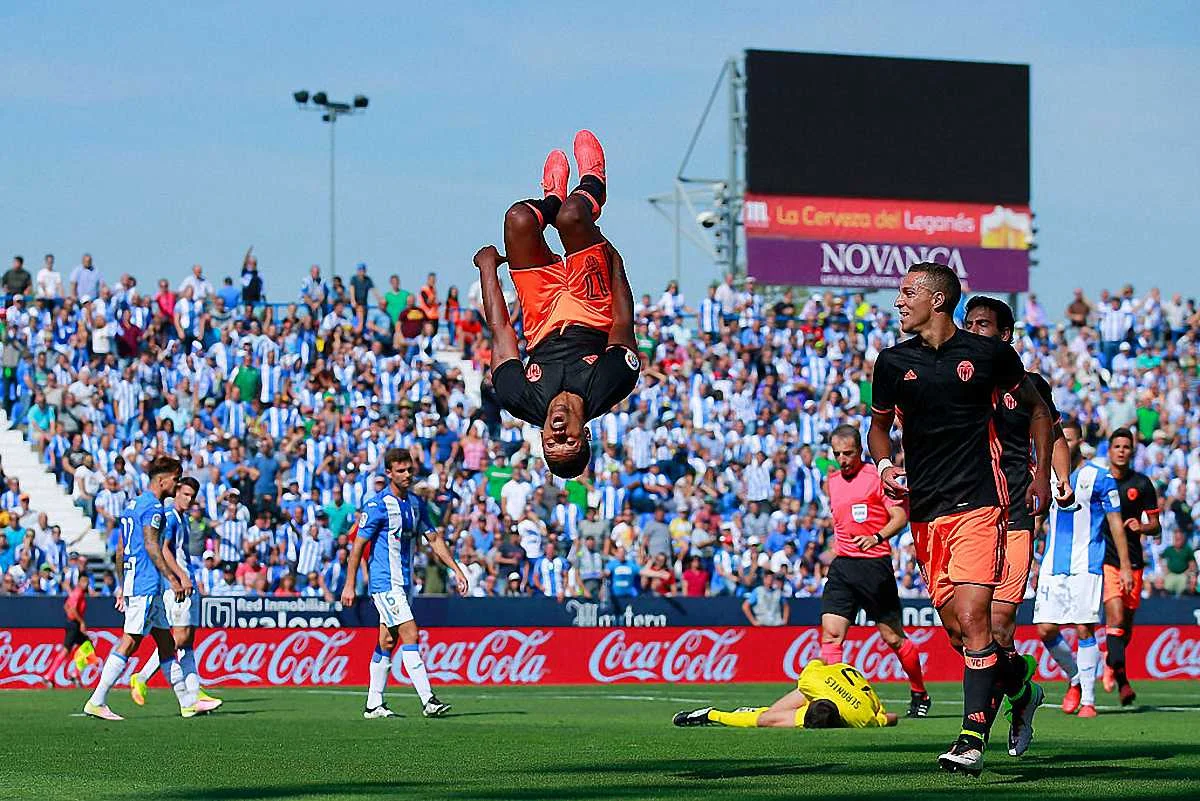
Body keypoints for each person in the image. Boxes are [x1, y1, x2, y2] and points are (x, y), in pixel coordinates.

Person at [868, 263, 1052, 774]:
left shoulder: (989, 355)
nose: (899, 302)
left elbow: (1038, 407)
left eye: (908, 293)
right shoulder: (891, 362)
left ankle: (971, 739)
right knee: (957, 632)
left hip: (981, 502)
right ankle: (1022, 687)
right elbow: (878, 429)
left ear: (938, 299)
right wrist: (884, 466)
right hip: (926, 513)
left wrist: (1038, 473)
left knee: (976, 620)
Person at [474, 131, 640, 479]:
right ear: (586, 436)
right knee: (572, 217)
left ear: (542, 437)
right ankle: (594, 180)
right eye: (570, 443)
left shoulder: (519, 399)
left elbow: (502, 333)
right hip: (591, 305)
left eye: (552, 445)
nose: (559, 436)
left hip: (542, 310)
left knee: (518, 218)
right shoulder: (612, 385)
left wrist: (488, 268)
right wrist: (615, 263)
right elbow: (623, 323)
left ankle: (550, 199)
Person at [962, 295, 1073, 755]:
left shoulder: (1027, 385)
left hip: (1014, 513)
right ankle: (1025, 694)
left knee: (1001, 625)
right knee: (967, 633)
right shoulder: (952, 381)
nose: (973, 330)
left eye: (983, 324)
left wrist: (1057, 477)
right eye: (968, 323)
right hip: (963, 513)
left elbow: (1054, 436)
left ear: (1005, 335)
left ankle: (972, 739)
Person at [341, 448, 468, 718]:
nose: (407, 475)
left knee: (387, 640)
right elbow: (357, 546)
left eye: (409, 469)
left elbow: (433, 539)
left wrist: (456, 569)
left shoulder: (415, 504)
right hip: (385, 582)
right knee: (411, 633)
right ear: (388, 473)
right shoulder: (376, 505)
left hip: (406, 583)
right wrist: (349, 584)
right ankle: (428, 700)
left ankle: (373, 704)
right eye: (400, 471)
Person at [823, 424, 929, 718]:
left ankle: (919, 692)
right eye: (837, 454)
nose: (843, 459)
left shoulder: (878, 478)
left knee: (893, 638)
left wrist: (877, 537)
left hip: (874, 565)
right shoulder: (831, 481)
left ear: (860, 451)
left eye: (848, 453)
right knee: (831, 636)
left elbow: (900, 515)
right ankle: (834, 703)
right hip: (843, 565)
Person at [83, 457, 201, 720]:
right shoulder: (153, 509)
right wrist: (171, 577)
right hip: (147, 584)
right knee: (131, 640)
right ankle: (97, 699)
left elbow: (121, 549)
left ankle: (187, 702)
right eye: (175, 477)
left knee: (165, 642)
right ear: (162, 480)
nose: (177, 483)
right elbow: (151, 545)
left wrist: (122, 583)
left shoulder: (132, 505)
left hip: (140, 582)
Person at [1034, 419, 1133, 720]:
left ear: (1079, 443)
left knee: (1083, 627)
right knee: (1045, 629)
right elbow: (1038, 517)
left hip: (1087, 563)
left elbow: (1116, 525)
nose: (1064, 444)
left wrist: (1125, 566)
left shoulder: (1099, 477)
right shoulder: (1046, 476)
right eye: (1059, 439)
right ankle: (1075, 677)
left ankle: (1088, 699)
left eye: (1070, 439)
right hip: (1053, 564)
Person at [128, 477, 222, 711]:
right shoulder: (169, 516)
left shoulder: (183, 518)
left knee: (187, 641)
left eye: (192, 496)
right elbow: (164, 549)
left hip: (187, 581)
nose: (188, 500)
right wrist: (180, 577)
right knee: (177, 639)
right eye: (185, 494)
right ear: (176, 492)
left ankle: (194, 694)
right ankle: (141, 677)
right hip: (177, 586)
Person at [1100, 427, 1159, 706]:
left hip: (1135, 562)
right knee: (1114, 617)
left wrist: (1142, 526)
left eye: (1126, 446)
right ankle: (1123, 681)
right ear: (1109, 450)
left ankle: (1112, 661)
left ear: (1132, 450)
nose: (1122, 450)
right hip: (1107, 560)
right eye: (1117, 446)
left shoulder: (1143, 484)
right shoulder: (1101, 481)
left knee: (1127, 626)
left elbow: (1156, 526)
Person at [672, 660, 897, 731]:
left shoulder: (861, 719)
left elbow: (890, 718)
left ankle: (711, 714)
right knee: (770, 715)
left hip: (836, 687)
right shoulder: (812, 682)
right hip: (828, 685)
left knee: (767, 719)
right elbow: (891, 718)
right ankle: (717, 714)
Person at [43, 573, 98, 686]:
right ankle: (49, 675)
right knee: (67, 650)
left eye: (87, 582)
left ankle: (74, 674)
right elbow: (72, 609)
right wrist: (81, 622)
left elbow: (66, 606)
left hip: (72, 623)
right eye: (83, 581)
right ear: (79, 582)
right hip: (74, 624)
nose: (85, 584)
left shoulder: (77, 592)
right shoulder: (77, 593)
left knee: (87, 646)